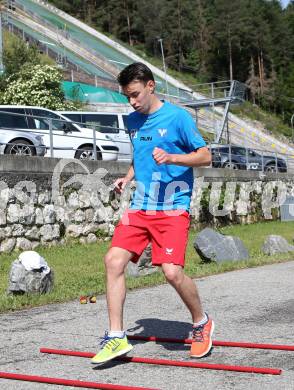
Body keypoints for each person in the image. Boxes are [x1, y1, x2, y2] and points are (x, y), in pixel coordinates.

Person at [91, 62, 213, 364]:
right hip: (141, 207)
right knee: (113, 261)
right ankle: (116, 337)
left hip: (172, 207)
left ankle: (201, 323)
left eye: (135, 94)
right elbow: (140, 157)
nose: (132, 102)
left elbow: (206, 156)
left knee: (171, 272)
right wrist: (128, 177)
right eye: (127, 97)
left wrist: (172, 157)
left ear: (150, 86)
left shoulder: (177, 118)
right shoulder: (133, 121)